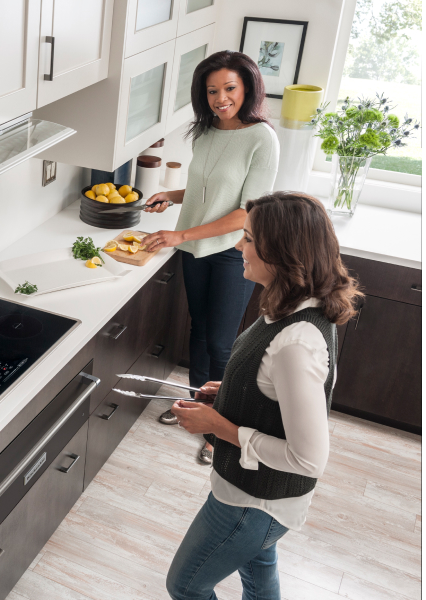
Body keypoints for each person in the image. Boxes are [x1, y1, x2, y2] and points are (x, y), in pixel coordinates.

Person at [163, 191, 362, 600]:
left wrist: (218, 426)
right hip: (257, 499)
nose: (239, 246)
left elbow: (309, 460)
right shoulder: (293, 306)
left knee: (185, 585)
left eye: (249, 238)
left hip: (254, 503)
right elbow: (276, 387)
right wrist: (233, 389)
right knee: (259, 567)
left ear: (283, 253)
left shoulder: (296, 343)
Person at [142, 51, 279, 464]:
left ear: (247, 88)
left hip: (232, 254)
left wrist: (180, 234)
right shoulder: (204, 132)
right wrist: (171, 195)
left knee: (221, 344)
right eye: (212, 91)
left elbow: (246, 210)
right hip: (195, 250)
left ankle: (220, 428)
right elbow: (209, 188)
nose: (221, 98)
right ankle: (195, 406)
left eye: (230, 88)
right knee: (198, 333)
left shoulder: (262, 138)